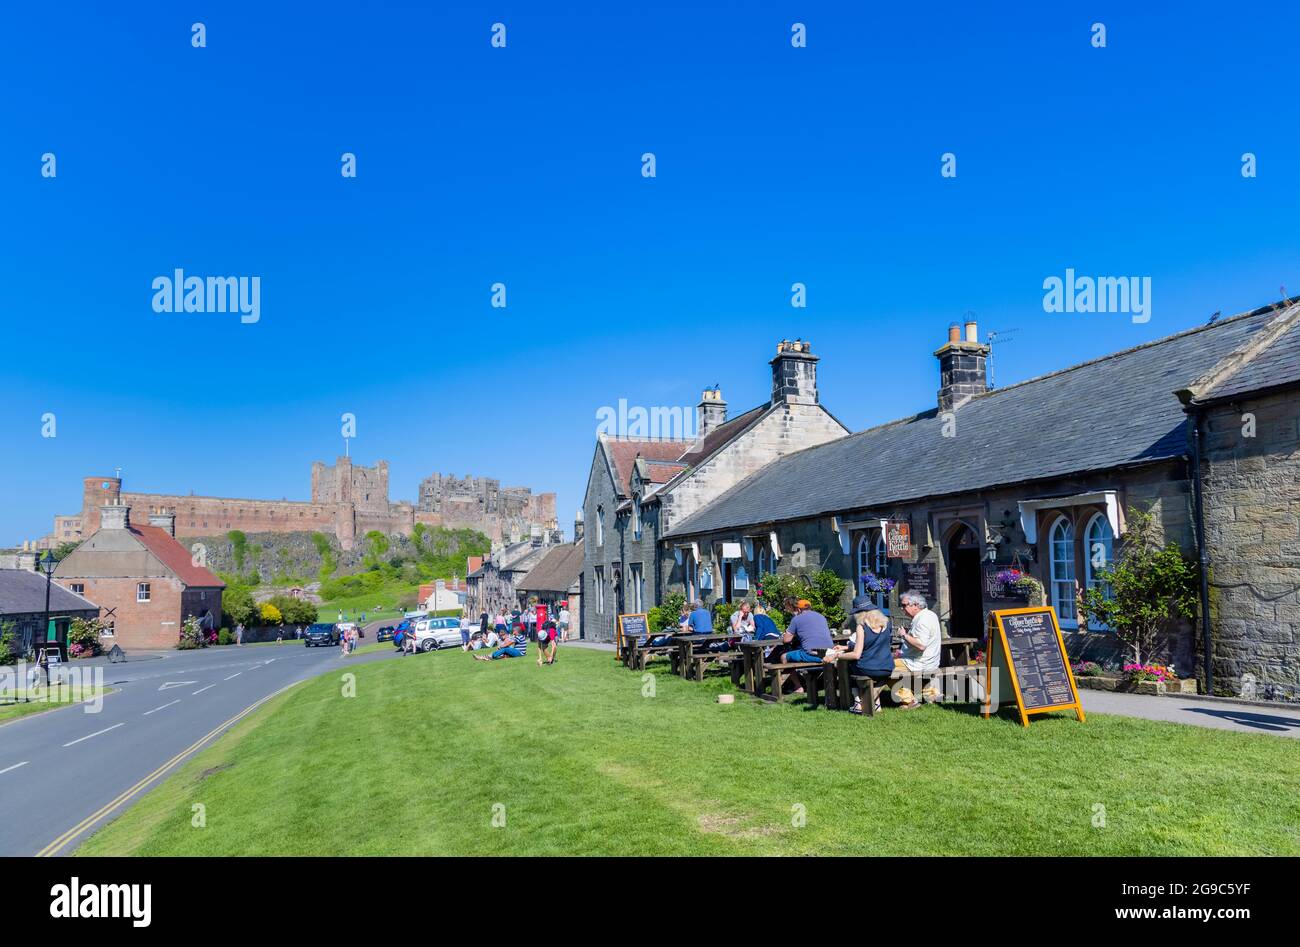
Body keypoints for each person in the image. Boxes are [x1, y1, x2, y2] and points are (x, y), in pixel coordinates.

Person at [824, 597, 894, 714]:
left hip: (868, 668)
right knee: (868, 670)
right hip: (887, 668)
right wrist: (846, 647)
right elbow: (874, 643)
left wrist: (835, 656)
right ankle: (876, 704)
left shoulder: (862, 627)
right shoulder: (887, 623)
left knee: (850, 665)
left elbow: (856, 655)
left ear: (859, 613)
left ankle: (857, 703)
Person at [894, 591, 942, 708]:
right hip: (931, 661)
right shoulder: (930, 615)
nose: (902, 608)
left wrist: (904, 635)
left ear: (915, 605)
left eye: (905, 605)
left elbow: (921, 645)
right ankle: (931, 694)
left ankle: (908, 700)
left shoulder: (922, 620)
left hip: (919, 662)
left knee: (885, 667)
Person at [779, 599, 834, 693]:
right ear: (810, 607)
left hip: (811, 654)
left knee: (784, 657)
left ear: (799, 610)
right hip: (829, 653)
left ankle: (798, 687)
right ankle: (816, 683)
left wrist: (796, 633)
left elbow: (786, 639)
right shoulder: (821, 617)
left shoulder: (796, 619)